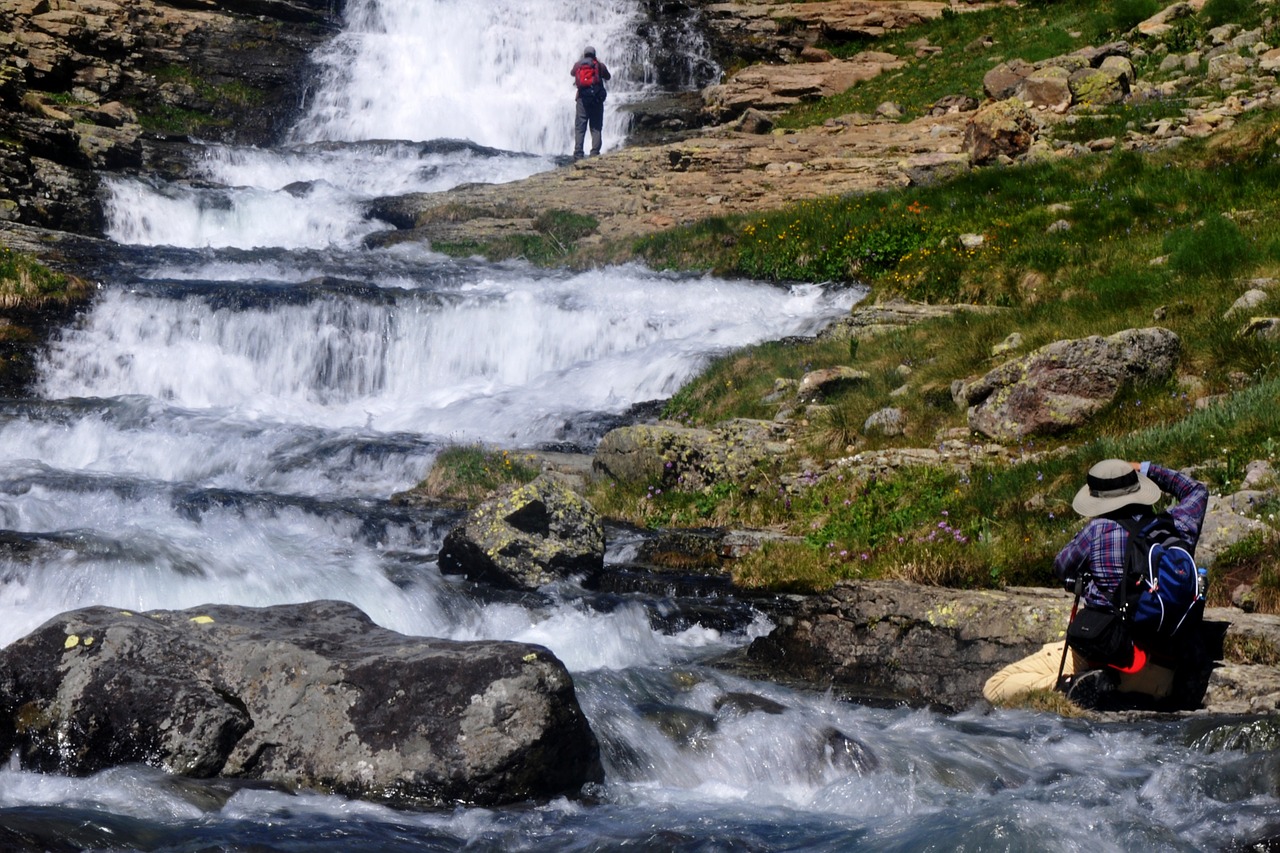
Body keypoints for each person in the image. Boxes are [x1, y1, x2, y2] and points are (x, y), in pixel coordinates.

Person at [983, 459, 1209, 708]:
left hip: (1107, 660)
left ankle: (1071, 684)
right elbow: (1196, 490)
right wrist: (1146, 468)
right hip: (1164, 677)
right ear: (1138, 489)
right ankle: (1113, 685)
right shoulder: (1177, 524)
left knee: (996, 685)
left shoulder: (1098, 531)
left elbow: (1061, 566)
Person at [570, 46, 611, 160]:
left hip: (582, 100)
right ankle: (594, 153)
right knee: (596, 127)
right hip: (596, 100)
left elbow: (572, 73)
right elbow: (608, 77)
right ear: (594, 54)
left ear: (584, 54)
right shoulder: (599, 65)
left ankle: (578, 154)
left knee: (580, 127)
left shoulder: (578, 65)